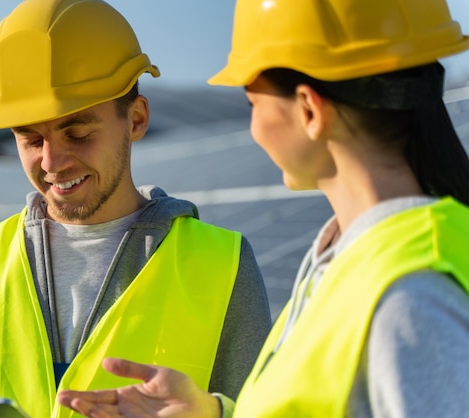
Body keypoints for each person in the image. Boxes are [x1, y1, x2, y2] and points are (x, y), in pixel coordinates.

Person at [56, 0, 469, 417]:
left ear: (309, 110)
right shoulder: (348, 257)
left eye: (253, 104)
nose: (254, 128)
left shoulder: (411, 298)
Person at [0, 0, 272, 417]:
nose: (51, 162)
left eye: (77, 133)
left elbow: (261, 407)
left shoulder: (222, 264)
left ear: (135, 119)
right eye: (30, 140)